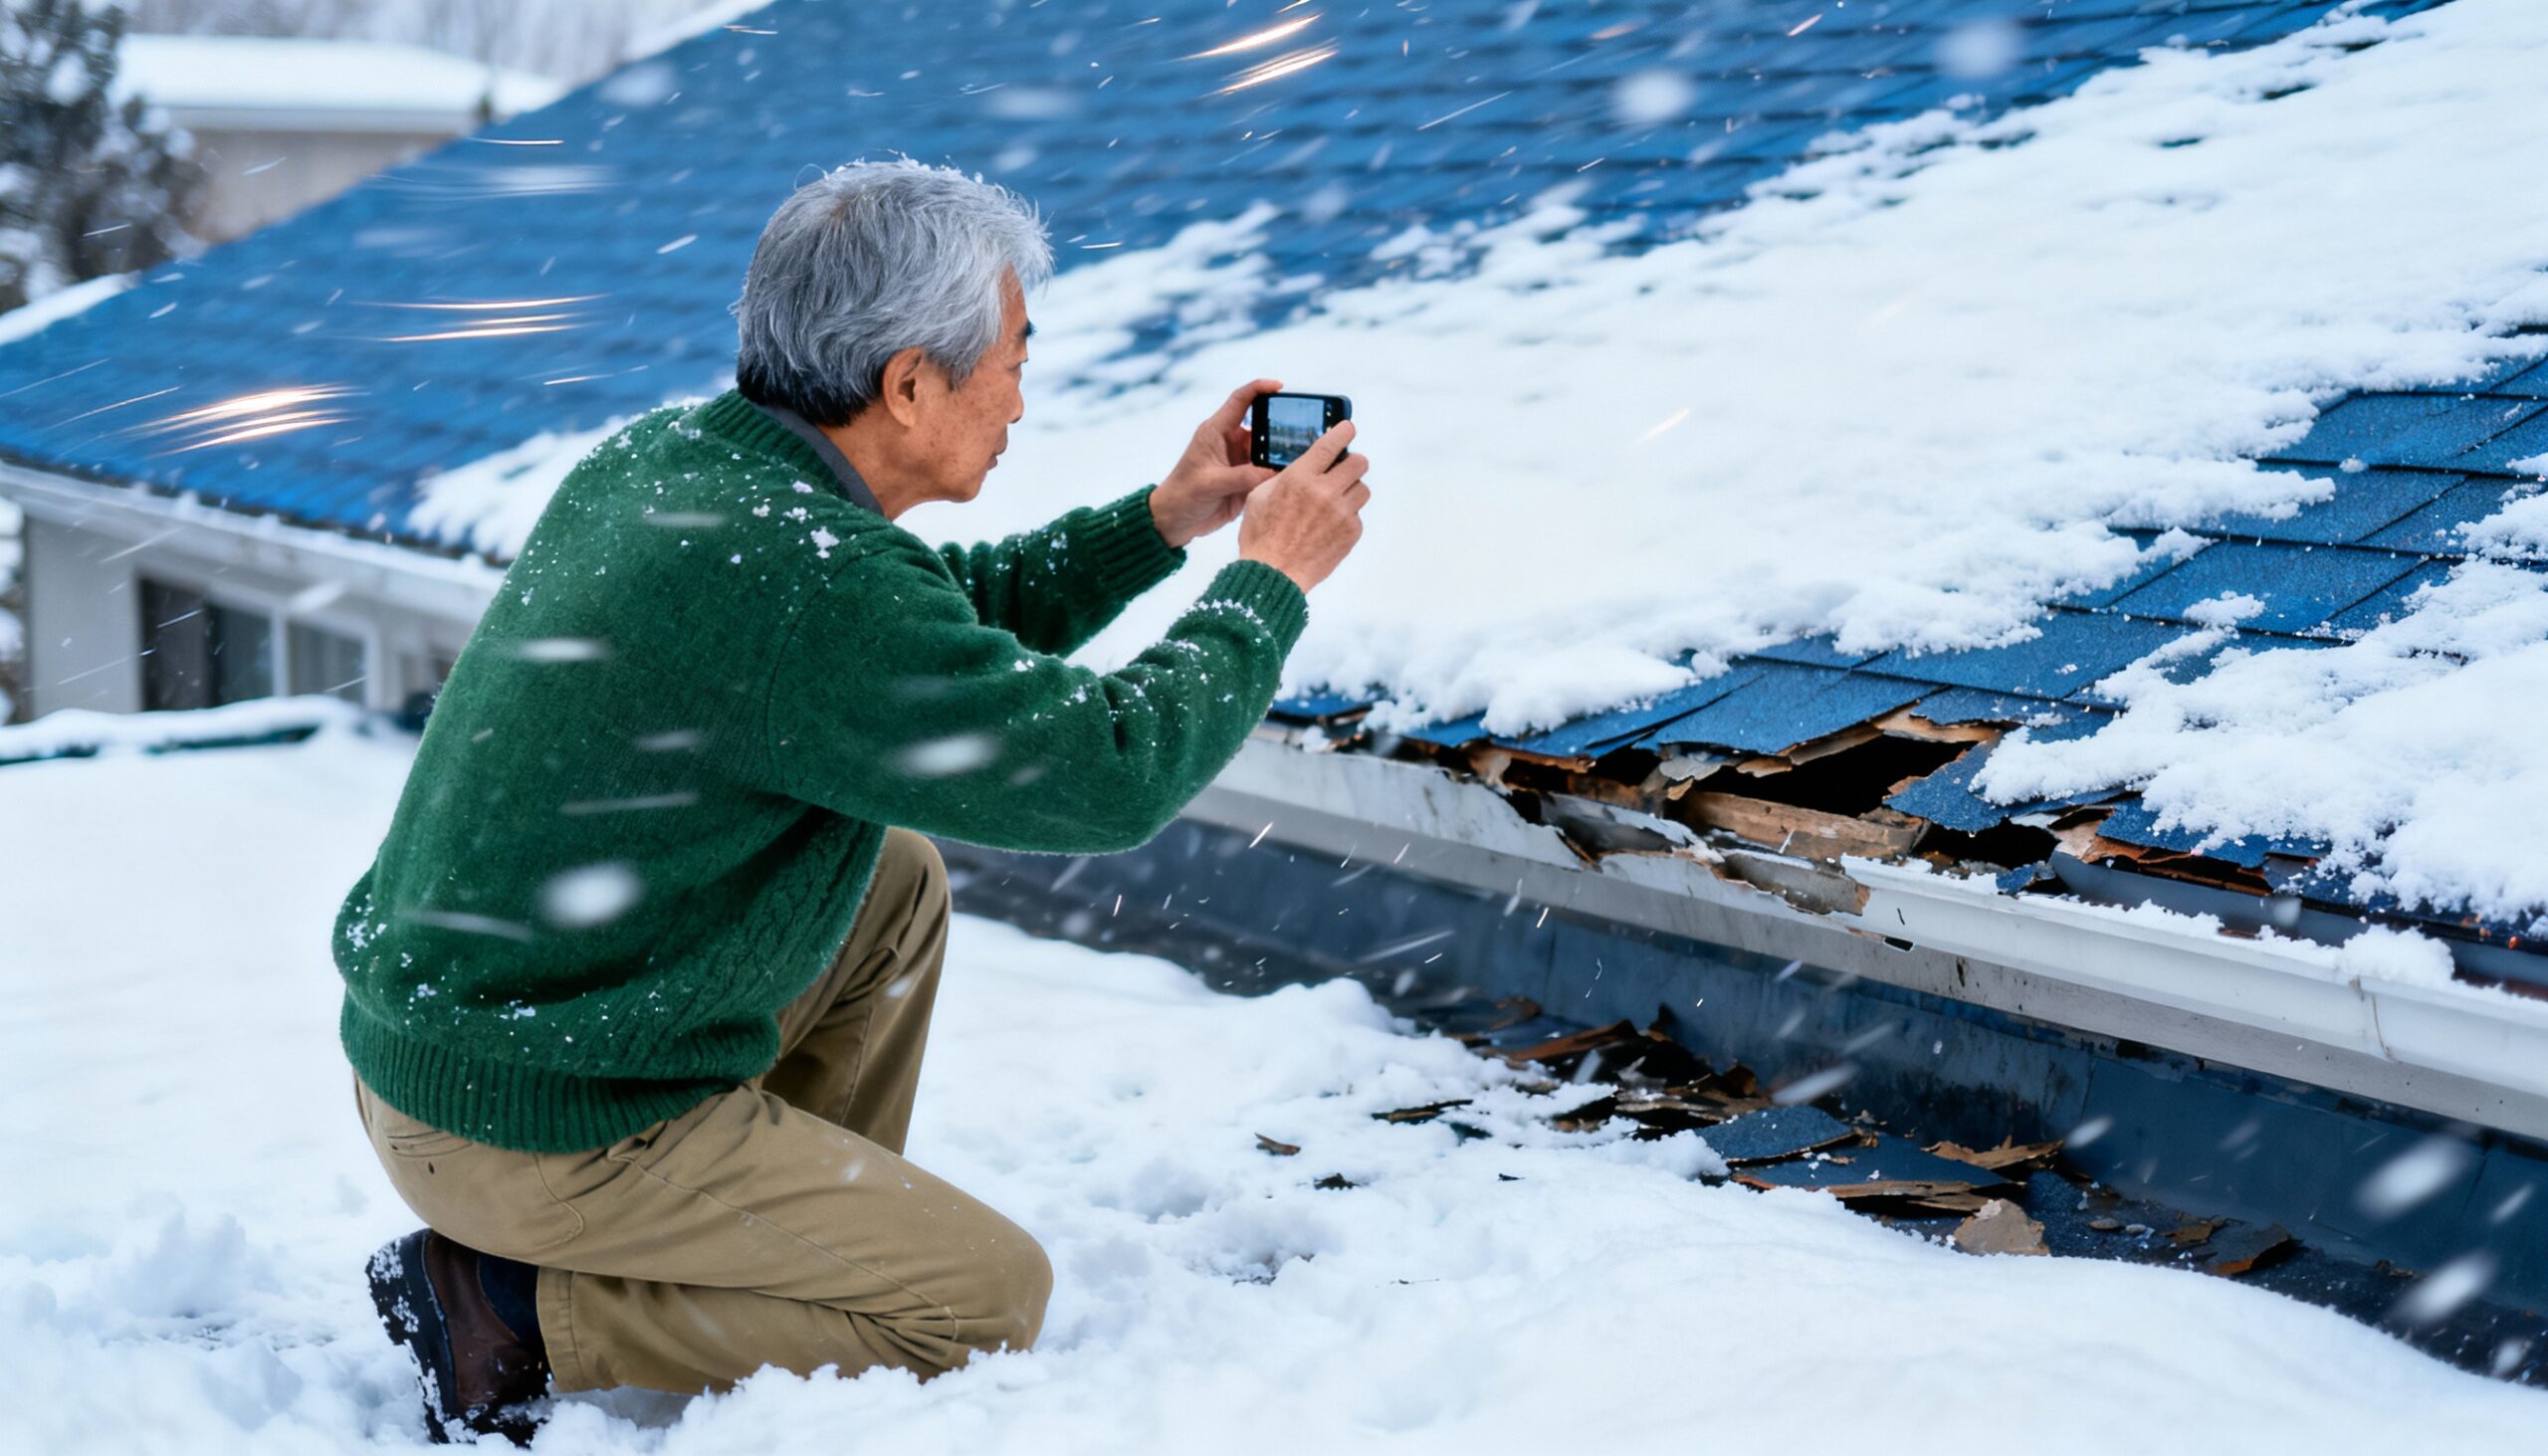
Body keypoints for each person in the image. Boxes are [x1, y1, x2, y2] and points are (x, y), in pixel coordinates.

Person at [339, 158, 1372, 1444]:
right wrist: (1263, 585)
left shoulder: (688, 466)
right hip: (533, 1117)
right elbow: (1111, 769)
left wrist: (1160, 524)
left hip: (464, 1049)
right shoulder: (799, 580)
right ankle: (511, 1311)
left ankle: (778, 1244)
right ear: (908, 384)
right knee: (980, 1303)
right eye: (1012, 356)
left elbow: (914, 642)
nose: (1020, 395)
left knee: (895, 884)